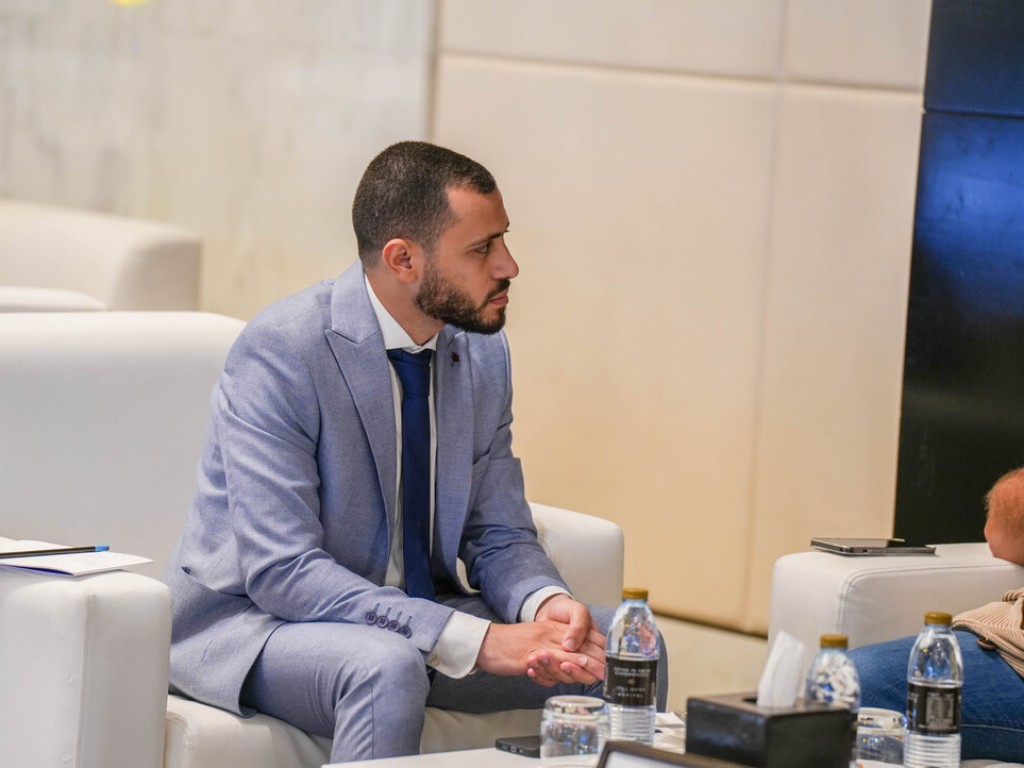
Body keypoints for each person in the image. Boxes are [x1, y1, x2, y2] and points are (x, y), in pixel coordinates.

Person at [164, 140, 668, 763]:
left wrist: (548, 606)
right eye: (482, 248)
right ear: (403, 258)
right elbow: (283, 571)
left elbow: (497, 531)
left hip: (419, 616)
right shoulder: (284, 350)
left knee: (625, 648)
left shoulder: (481, 352)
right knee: (386, 666)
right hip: (262, 626)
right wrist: (476, 640)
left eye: (504, 240)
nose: (509, 265)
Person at [850, 466, 1024, 761]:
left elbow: (1000, 530)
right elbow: (1002, 532)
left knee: (856, 690)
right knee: (845, 680)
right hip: (1004, 638)